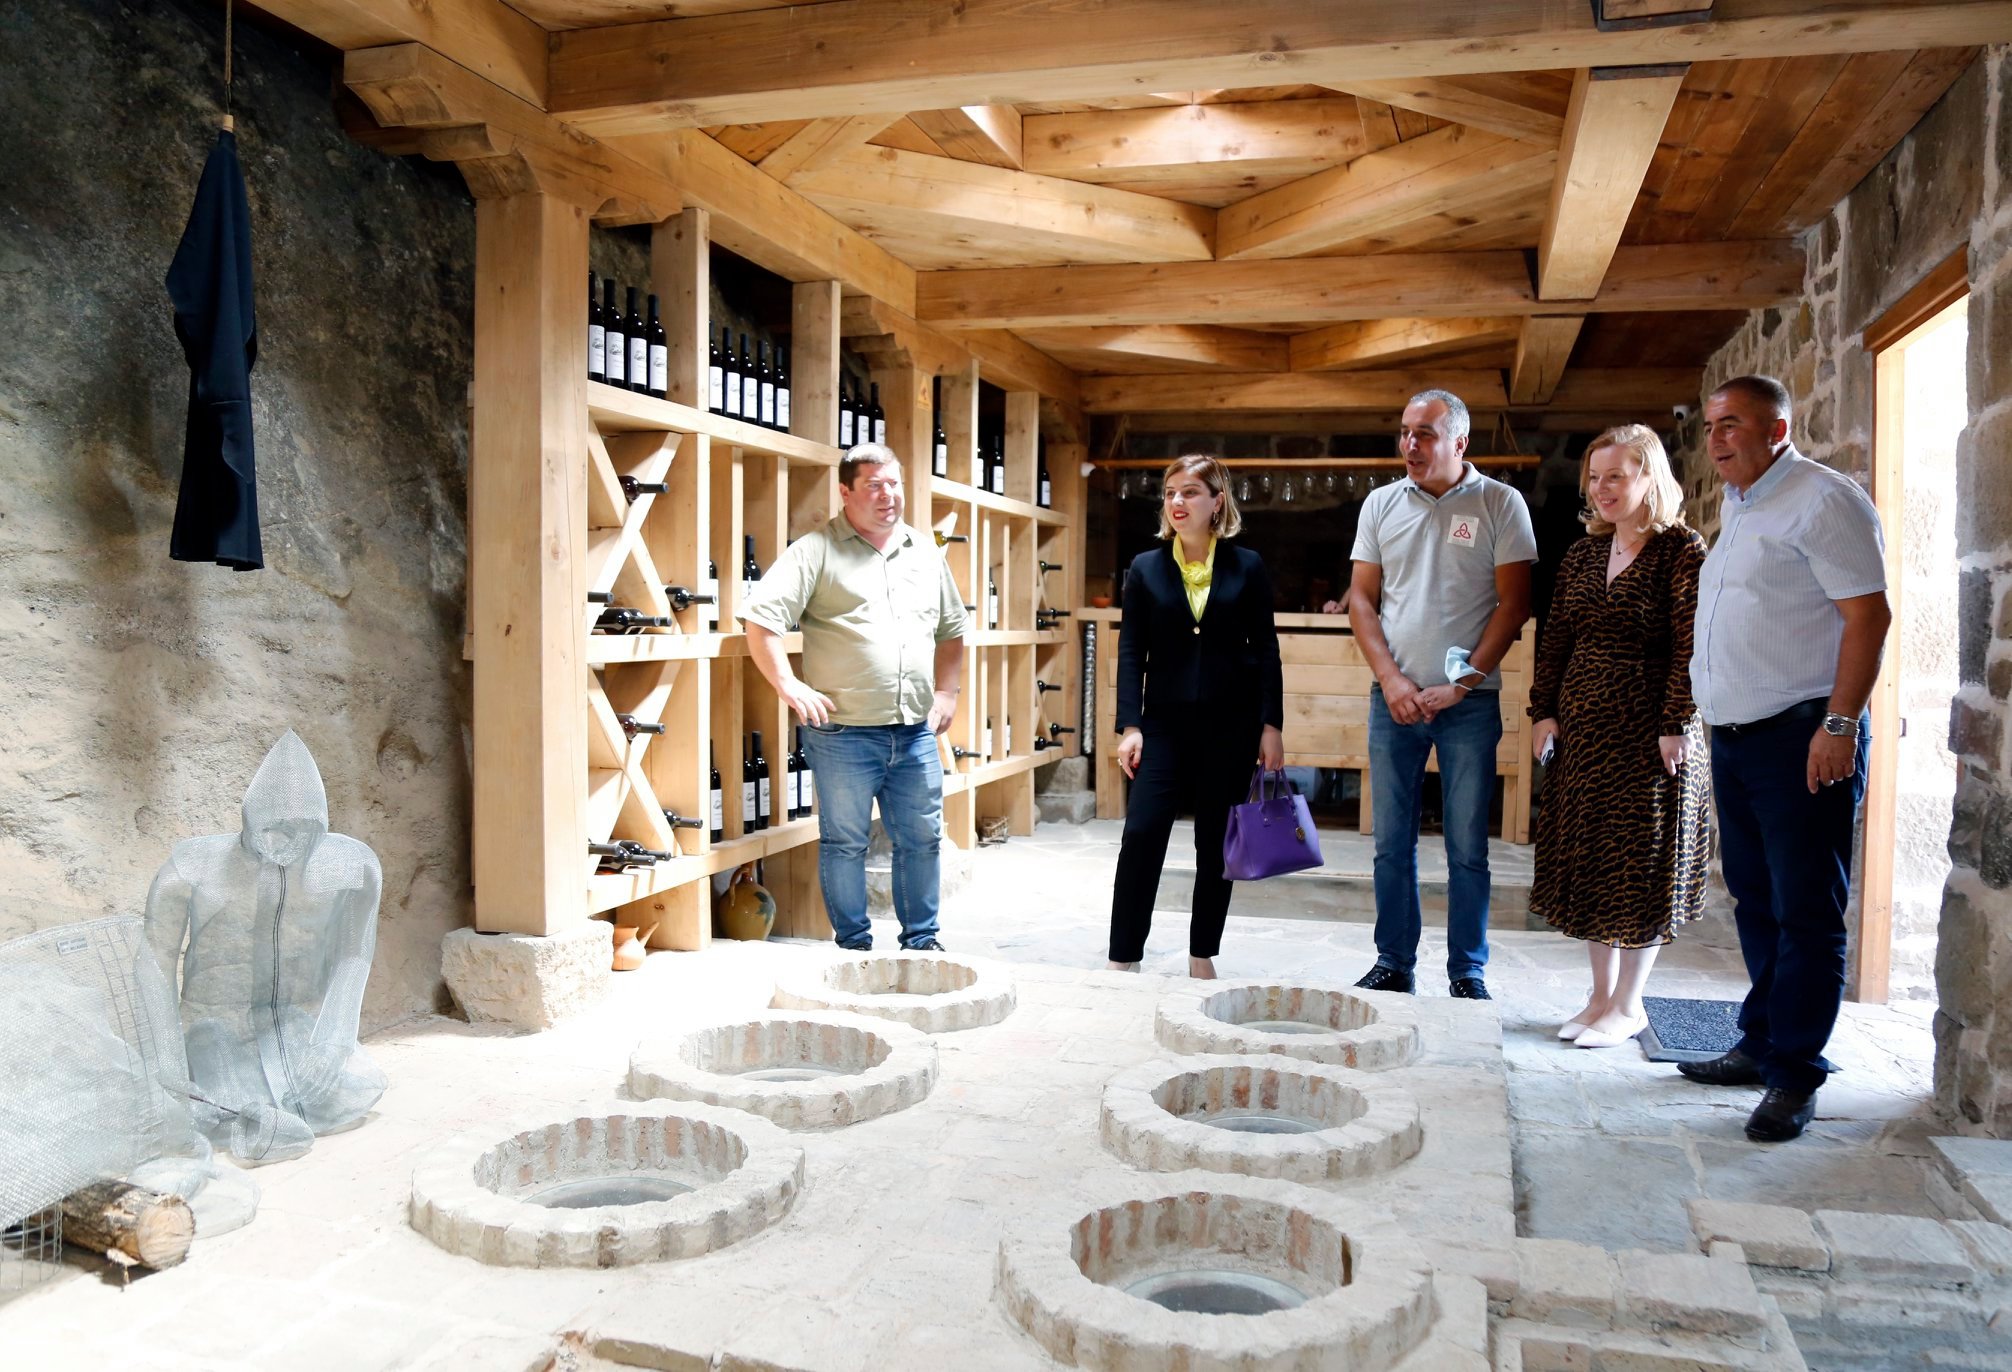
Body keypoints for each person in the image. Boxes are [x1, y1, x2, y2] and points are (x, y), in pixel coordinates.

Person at [1679, 375, 1890, 1143]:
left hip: (1801, 737)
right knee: (1756, 900)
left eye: (1732, 424)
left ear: (1778, 429)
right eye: (1710, 426)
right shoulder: (1741, 505)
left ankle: (1796, 1075)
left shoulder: (1823, 500)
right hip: (1736, 738)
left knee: (1806, 910)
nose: (1716, 439)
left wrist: (1840, 723)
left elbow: (1868, 616)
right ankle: (1762, 1042)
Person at [1345, 390, 1535, 999]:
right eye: (1405, 431)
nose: (1410, 444)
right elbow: (1362, 600)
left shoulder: (1500, 503)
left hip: (1469, 705)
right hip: (1394, 701)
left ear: (1459, 442)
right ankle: (1393, 962)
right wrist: (1391, 680)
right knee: (1389, 844)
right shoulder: (1380, 504)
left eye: (1424, 433)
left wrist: (1464, 682)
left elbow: (1515, 604)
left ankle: (1466, 971)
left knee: (1467, 847)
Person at [742, 443, 968, 952]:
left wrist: (947, 692)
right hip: (843, 733)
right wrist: (788, 684)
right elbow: (761, 620)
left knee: (923, 839)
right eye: (873, 485)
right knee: (845, 842)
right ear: (845, 492)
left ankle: (921, 943)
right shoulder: (815, 550)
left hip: (915, 730)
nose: (888, 495)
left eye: (894, 484)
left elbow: (952, 629)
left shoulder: (924, 552)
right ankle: (854, 947)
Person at [1527, 425, 1711, 1048]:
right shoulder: (1584, 553)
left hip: (1650, 734)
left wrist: (1676, 722)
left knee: (1641, 864)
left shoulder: (1682, 549)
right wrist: (1542, 711)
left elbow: (1690, 644)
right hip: (1585, 734)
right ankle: (1600, 997)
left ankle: (1629, 1005)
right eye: (1595, 477)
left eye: (1616, 476)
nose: (1602, 489)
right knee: (1594, 861)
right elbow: (1556, 637)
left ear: (1648, 477)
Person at [1109, 455, 1285, 978]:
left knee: (1215, 844)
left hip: (1231, 728)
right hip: (1162, 727)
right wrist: (1131, 725)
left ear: (1217, 501)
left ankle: (1201, 953)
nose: (1177, 502)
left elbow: (1267, 651)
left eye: (1189, 492)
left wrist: (1271, 726)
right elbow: (1131, 651)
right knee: (1142, 835)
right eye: (1170, 493)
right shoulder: (1146, 568)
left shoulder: (1247, 566)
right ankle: (1123, 955)